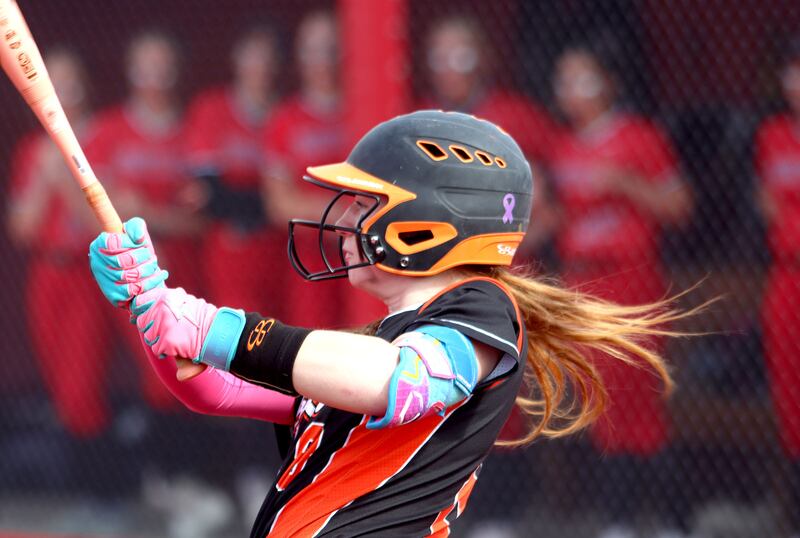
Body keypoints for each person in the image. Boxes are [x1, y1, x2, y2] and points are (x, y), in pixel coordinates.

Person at [87, 110, 689, 536]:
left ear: (431, 221)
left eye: (367, 203)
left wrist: (216, 327)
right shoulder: (372, 343)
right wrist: (154, 308)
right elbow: (211, 387)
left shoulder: (482, 309)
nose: (346, 218)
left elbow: (399, 382)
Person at [548, 45, 693, 535]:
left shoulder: (640, 137)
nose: (573, 92)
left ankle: (666, 518)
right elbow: (563, 214)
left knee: (638, 396)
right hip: (582, 281)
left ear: (610, 82)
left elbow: (679, 207)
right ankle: (619, 520)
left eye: (584, 80)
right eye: (565, 82)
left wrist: (625, 183)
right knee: (598, 398)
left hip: (630, 278)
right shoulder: (563, 146)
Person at [83, 29, 203, 410]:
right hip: (126, 271)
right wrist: (161, 216)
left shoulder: (192, 130)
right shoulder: (108, 130)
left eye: (162, 64)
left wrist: (147, 213)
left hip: (188, 265)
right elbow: (100, 214)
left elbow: (203, 220)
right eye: (145, 64)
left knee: (194, 363)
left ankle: (187, 462)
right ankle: (154, 464)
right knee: (145, 366)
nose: (154, 73)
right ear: (129, 69)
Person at [6, 49, 110, 439]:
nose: (61, 89)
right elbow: (23, 228)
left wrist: (64, 176)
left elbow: (104, 218)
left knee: (81, 383)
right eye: (52, 79)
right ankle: (87, 482)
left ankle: (101, 487)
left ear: (85, 85)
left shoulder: (103, 136)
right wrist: (44, 171)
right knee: (59, 382)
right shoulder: (33, 149)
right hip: (49, 270)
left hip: (92, 271)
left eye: (70, 79)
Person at [260, 10, 383, 328]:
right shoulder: (283, 120)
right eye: (312, 50)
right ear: (298, 56)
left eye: (330, 49)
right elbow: (280, 204)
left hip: (373, 256)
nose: (322, 60)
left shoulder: (369, 106)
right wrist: (346, 217)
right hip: (312, 259)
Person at [185, 25, 282, 312]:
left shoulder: (286, 112)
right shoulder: (212, 109)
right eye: (252, 56)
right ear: (236, 59)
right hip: (230, 249)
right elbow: (209, 196)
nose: (260, 67)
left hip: (282, 250)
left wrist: (237, 199)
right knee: (238, 335)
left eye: (267, 57)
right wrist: (273, 203)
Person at [754, 38, 800, 535]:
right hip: (787, 273)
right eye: (793, 73)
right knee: (790, 397)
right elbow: (769, 205)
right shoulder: (772, 134)